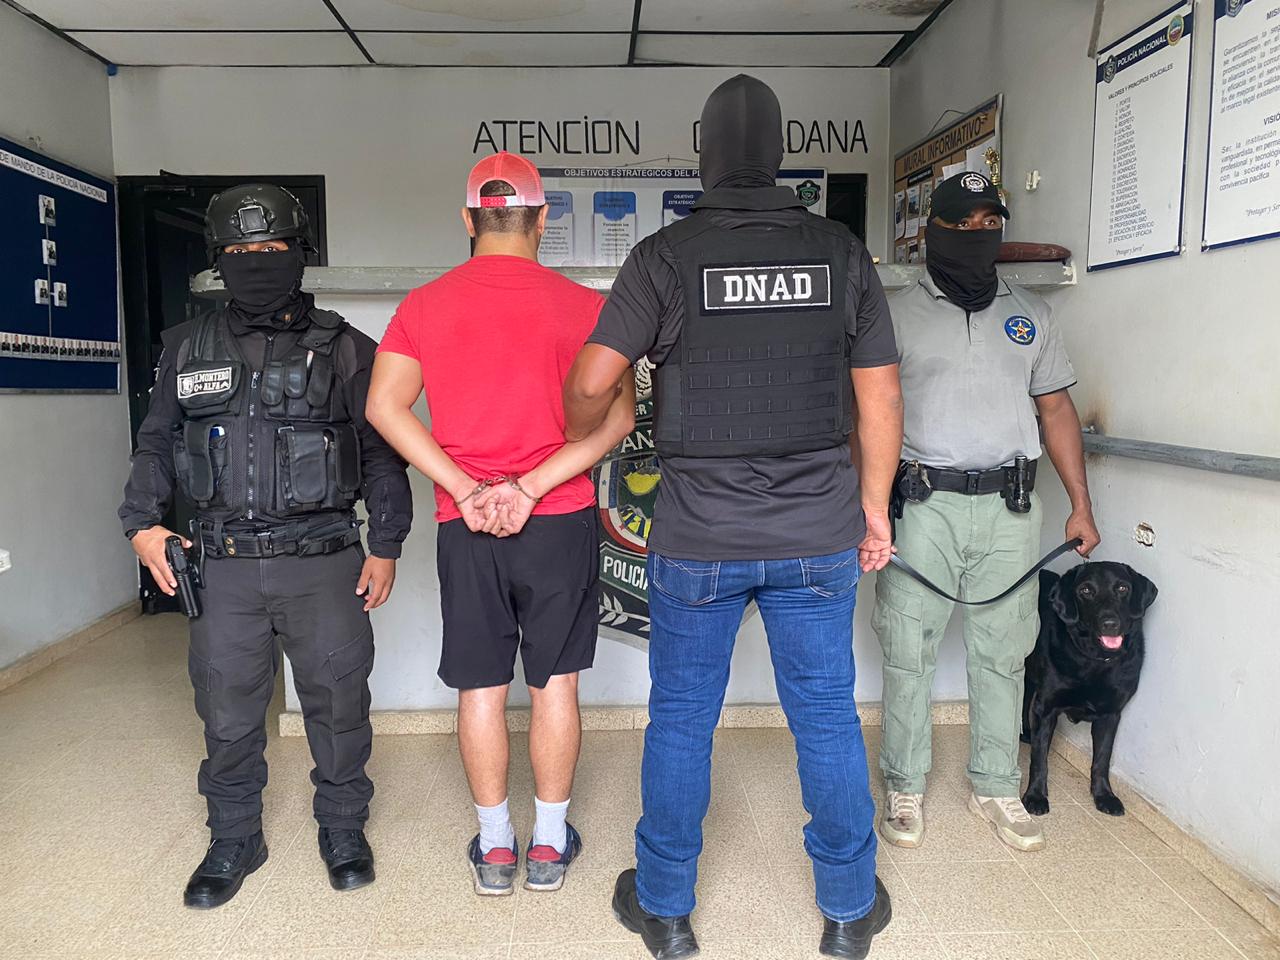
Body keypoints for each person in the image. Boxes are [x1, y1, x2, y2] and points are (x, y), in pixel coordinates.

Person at [563, 75, 903, 960]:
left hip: (699, 541)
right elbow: (880, 398)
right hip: (817, 535)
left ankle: (667, 909)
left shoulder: (663, 256)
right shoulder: (841, 252)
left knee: (682, 720)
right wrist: (873, 511)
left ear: (705, 154)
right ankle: (847, 910)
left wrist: (580, 420)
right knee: (826, 717)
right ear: (780, 153)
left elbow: (594, 380)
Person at [119, 184, 413, 908]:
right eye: (239, 250)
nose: (256, 260)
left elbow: (383, 455)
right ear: (218, 259)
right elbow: (156, 442)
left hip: (324, 563)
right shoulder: (186, 347)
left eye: (272, 247)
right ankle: (234, 837)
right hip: (223, 568)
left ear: (300, 253)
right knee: (225, 710)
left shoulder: (347, 347)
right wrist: (142, 522)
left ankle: (342, 826)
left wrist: (387, 543)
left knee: (338, 703)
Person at [366, 152, 635, 897]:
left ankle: (494, 850)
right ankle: (547, 846)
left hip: (467, 523)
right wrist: (531, 485)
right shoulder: (587, 307)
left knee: (481, 687)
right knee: (555, 686)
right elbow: (619, 418)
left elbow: (384, 406)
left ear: (468, 219)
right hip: (559, 519)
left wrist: (465, 487)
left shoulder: (424, 305)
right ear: (542, 220)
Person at [872, 171, 1100, 854]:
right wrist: (867, 506)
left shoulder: (1032, 314)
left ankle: (996, 784)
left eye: (989, 223)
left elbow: (1055, 409)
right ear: (931, 230)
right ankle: (904, 784)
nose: (977, 234)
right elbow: (869, 415)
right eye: (962, 223)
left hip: (1011, 506)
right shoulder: (893, 313)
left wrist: (1082, 505)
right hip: (922, 503)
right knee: (908, 648)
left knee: (1005, 650)